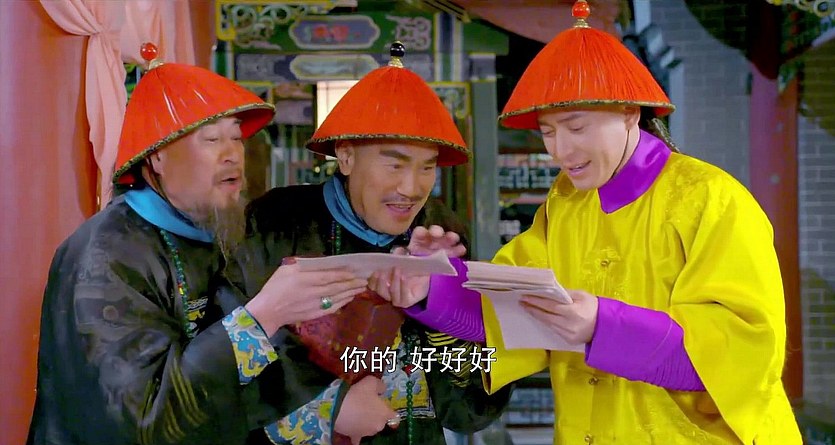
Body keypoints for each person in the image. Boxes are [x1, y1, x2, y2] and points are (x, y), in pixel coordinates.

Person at [393, 2, 803, 444]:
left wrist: (603, 326)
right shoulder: (566, 204)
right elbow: (511, 307)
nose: (561, 151)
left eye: (576, 127)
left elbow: (743, 352)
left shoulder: (710, 198)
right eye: (548, 132)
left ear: (629, 112)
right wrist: (432, 288)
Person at [27, 43, 383, 445]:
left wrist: (331, 404)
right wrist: (264, 315)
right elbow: (144, 421)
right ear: (158, 157)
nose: (233, 155)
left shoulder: (215, 233)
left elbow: (258, 373)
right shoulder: (105, 257)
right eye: (212, 140)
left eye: (236, 138)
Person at [233, 42, 512, 445]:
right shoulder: (275, 223)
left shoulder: (439, 230)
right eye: (394, 164)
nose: (411, 188)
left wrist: (443, 306)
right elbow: (227, 364)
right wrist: (329, 409)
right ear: (346, 156)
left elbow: (468, 409)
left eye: (427, 167)